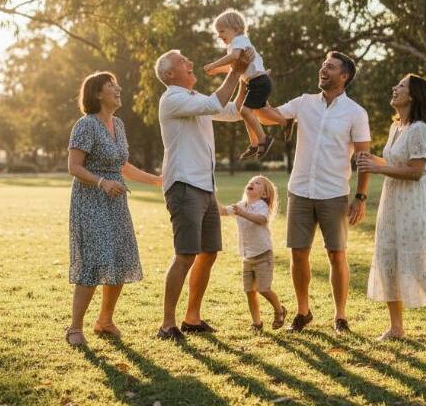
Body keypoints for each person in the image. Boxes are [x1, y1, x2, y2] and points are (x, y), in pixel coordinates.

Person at [259, 51, 371, 333]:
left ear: (344, 76)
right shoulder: (304, 102)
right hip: (300, 191)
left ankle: (341, 316)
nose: (324, 70)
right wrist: (257, 86)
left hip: (333, 193)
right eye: (323, 65)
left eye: (331, 67)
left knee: (337, 254)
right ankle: (303, 312)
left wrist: (360, 197)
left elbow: (363, 158)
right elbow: (269, 115)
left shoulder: (356, 113)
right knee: (299, 254)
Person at [357, 74, 426, 341]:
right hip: (392, 202)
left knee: (419, 264)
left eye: (401, 86)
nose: (394, 88)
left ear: (413, 95)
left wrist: (377, 167)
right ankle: (396, 328)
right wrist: (369, 158)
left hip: (413, 203)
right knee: (389, 259)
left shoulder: (420, 129)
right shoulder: (397, 127)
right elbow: (394, 161)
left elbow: (415, 171)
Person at [155, 48, 252, 341]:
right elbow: (217, 101)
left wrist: (248, 79)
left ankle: (192, 318)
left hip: (206, 187)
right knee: (185, 255)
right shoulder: (172, 98)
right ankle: (167, 324)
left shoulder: (196, 99)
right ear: (171, 73)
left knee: (208, 253)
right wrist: (234, 70)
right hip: (184, 185)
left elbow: (233, 111)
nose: (191, 62)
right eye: (184, 61)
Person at [65, 72, 162, 346]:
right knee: (94, 261)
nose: (118, 89)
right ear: (98, 94)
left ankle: (105, 321)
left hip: (116, 202)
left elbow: (122, 166)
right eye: (112, 86)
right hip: (90, 202)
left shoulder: (117, 124)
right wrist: (102, 182)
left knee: (118, 257)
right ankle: (74, 328)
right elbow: (73, 167)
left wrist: (156, 179)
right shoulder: (85, 126)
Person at [203, 9, 275, 160]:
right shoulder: (236, 44)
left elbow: (234, 58)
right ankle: (255, 143)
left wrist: (213, 65)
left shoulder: (239, 41)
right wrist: (216, 70)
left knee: (247, 111)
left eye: (222, 31)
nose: (219, 35)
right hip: (253, 80)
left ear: (235, 29)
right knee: (246, 112)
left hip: (257, 81)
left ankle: (263, 139)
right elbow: (233, 67)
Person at [219, 175, 287, 331]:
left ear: (264, 194)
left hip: (263, 255)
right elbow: (222, 211)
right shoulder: (240, 205)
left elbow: (261, 220)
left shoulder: (261, 206)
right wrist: (209, 194)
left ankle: (279, 310)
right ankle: (257, 323)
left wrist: (242, 213)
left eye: (257, 183)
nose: (252, 183)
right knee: (249, 291)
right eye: (251, 181)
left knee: (263, 289)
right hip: (247, 257)